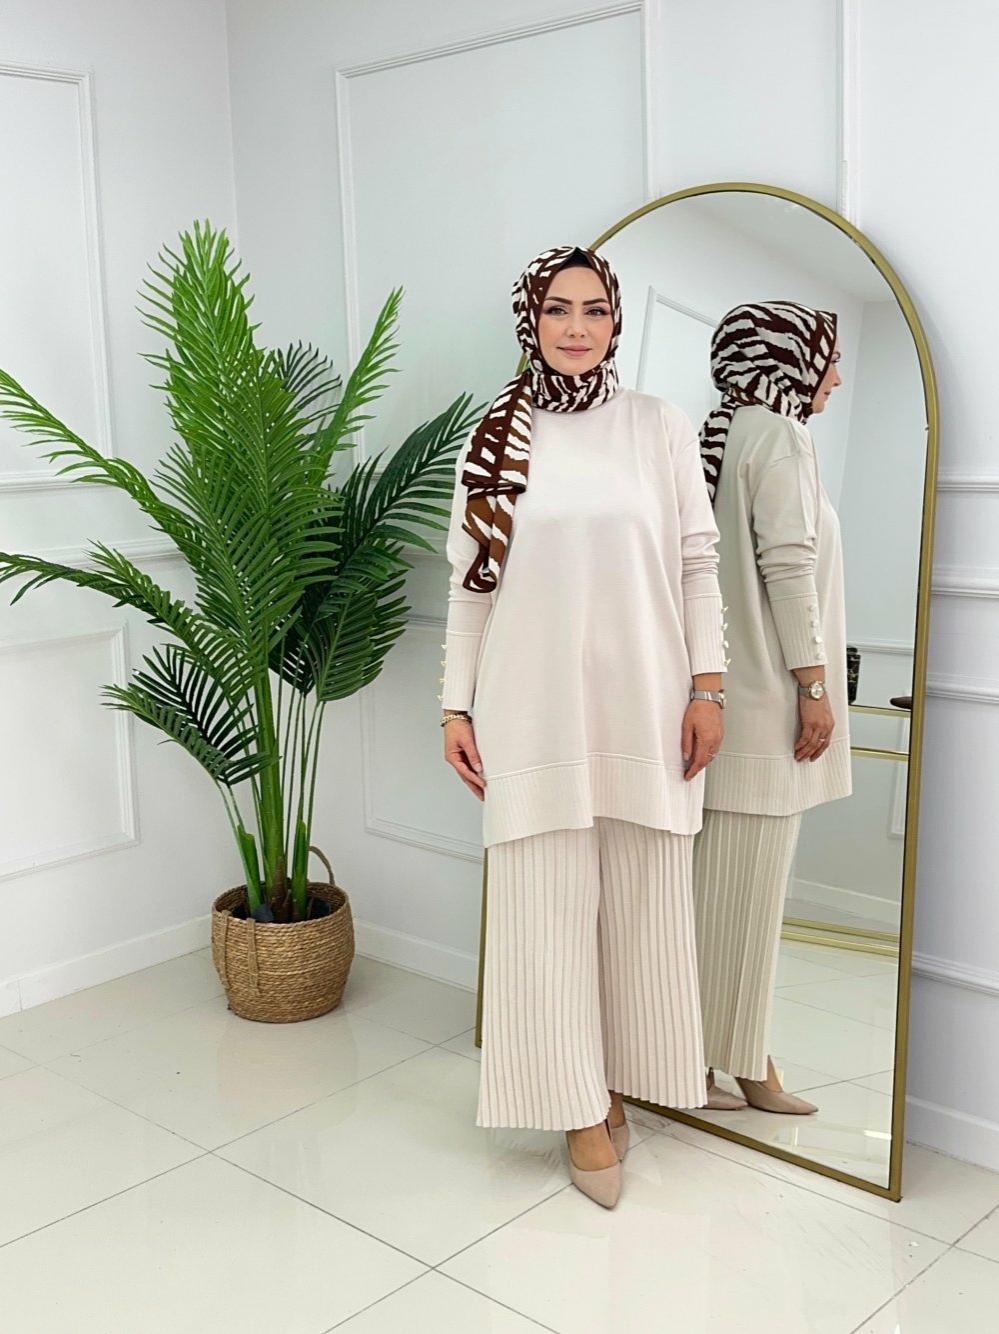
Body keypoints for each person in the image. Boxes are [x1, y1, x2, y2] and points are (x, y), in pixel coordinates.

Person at [437, 244, 727, 1208]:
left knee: (643, 902)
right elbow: (470, 588)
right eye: (556, 309)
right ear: (530, 320)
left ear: (615, 321)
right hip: (528, 706)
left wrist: (708, 688)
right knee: (544, 911)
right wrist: (454, 704)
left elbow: (696, 564)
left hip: (647, 700)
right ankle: (574, 1105)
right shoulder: (494, 438)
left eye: (593, 309)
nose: (574, 327)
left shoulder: (657, 426)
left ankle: (622, 1078)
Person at [692, 299, 852, 1115]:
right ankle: (732, 1060)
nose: (835, 376)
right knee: (744, 906)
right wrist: (815, 689)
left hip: (728, 706)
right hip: (767, 711)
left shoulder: (724, 433)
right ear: (787, 358)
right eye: (827, 357)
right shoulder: (778, 435)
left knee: (713, 902)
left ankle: (715, 1057)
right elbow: (788, 569)